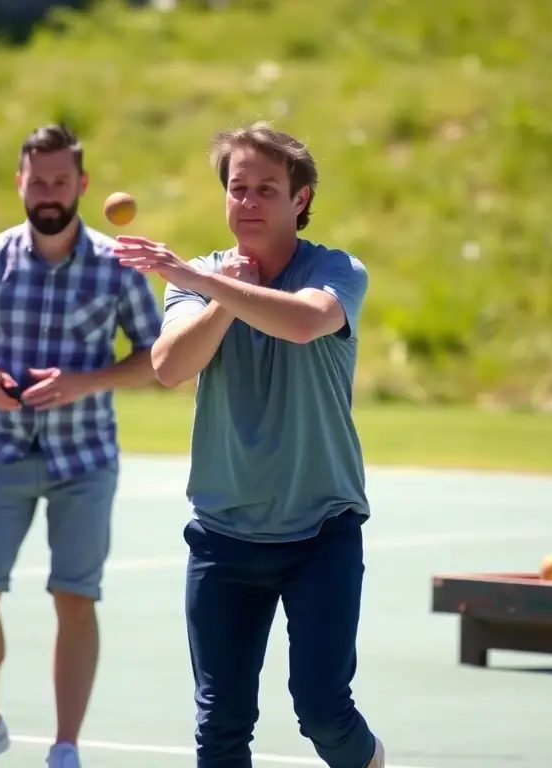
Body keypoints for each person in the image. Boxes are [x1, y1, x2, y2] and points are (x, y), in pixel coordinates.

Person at [114, 122, 386, 768]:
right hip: (224, 535)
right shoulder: (198, 279)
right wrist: (214, 290)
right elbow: (171, 366)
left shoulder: (336, 270)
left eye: (267, 188)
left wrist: (216, 285)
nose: (249, 202)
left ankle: (370, 761)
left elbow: (302, 324)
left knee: (323, 710)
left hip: (320, 531)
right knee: (221, 725)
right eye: (238, 188)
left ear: (301, 198)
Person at [0, 123, 163, 768]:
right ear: (21, 184)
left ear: (83, 185)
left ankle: (65, 748)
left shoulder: (117, 267)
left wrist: (87, 381)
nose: (50, 192)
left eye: (62, 180)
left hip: (84, 459)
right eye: (38, 181)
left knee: (75, 600)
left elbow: (157, 358)